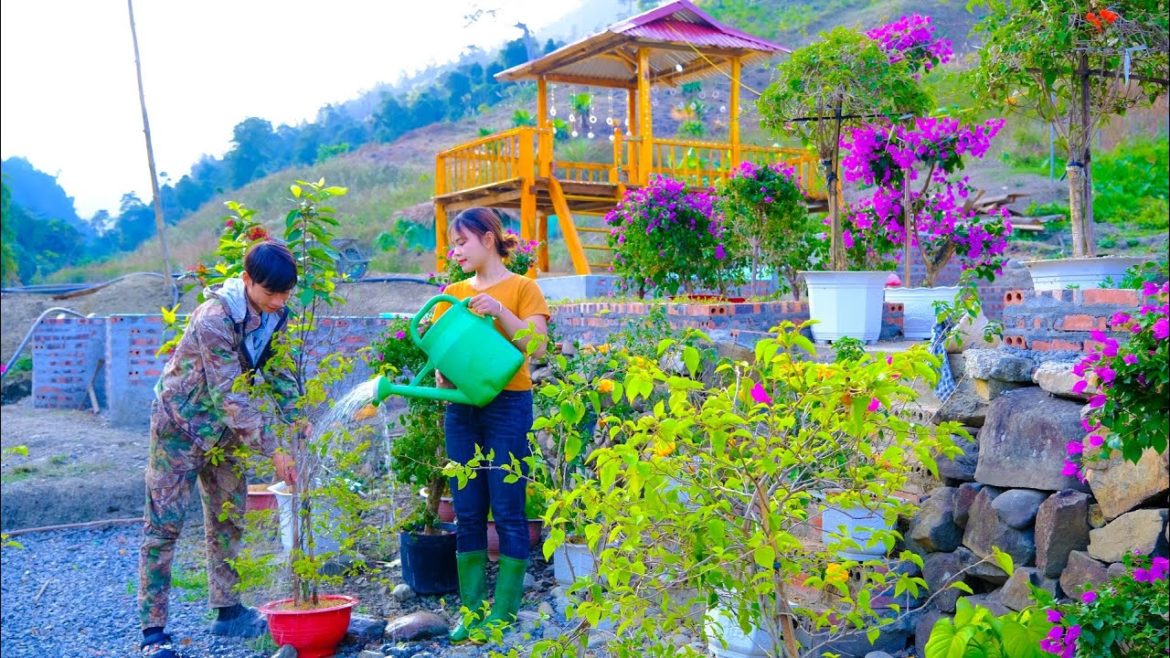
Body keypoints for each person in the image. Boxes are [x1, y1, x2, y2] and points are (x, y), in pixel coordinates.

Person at [139, 242, 301, 658]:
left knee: (228, 517)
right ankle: (153, 632)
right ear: (247, 281)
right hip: (180, 425)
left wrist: (298, 417)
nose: (279, 302)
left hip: (226, 435)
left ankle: (228, 611)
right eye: (271, 294)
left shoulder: (277, 314)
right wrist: (274, 451)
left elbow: (280, 371)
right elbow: (229, 395)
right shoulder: (214, 318)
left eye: (286, 294)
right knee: (163, 528)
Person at [432, 207, 550, 642]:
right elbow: (445, 351)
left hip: (509, 404)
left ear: (488, 238)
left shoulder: (523, 288)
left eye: (461, 242)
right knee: (466, 508)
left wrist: (499, 309)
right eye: (453, 243)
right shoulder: (453, 292)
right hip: (461, 406)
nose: (455, 250)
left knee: (507, 507)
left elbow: (536, 347)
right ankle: (471, 609)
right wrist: (443, 371)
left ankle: (502, 611)